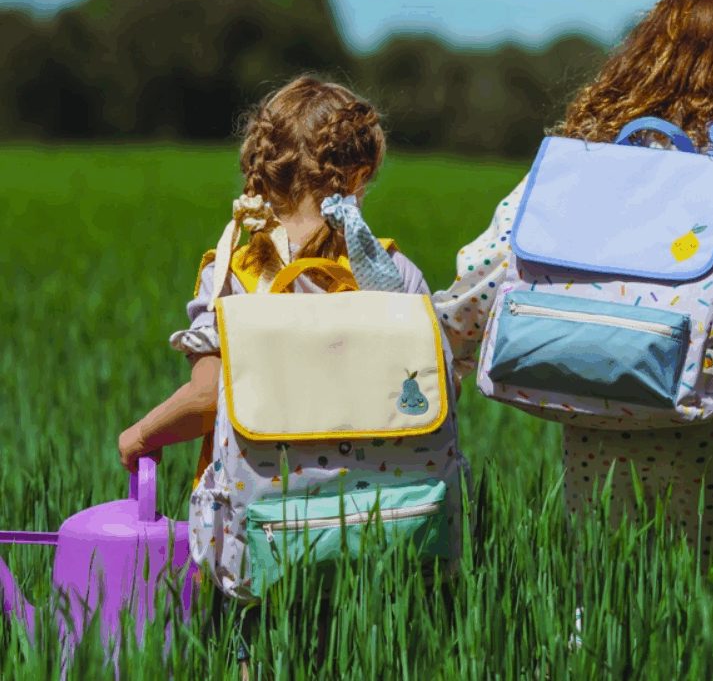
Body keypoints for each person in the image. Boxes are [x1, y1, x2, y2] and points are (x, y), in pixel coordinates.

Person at [118, 75, 468, 672]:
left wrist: (143, 435)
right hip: (387, 530)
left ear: (260, 167)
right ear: (363, 172)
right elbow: (440, 389)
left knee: (256, 649)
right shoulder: (394, 273)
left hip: (266, 533)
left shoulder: (237, 270)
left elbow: (208, 395)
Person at [432, 0, 713, 558]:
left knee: (602, 588)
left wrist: (438, 345)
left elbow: (490, 265)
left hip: (601, 418)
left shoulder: (584, 165)